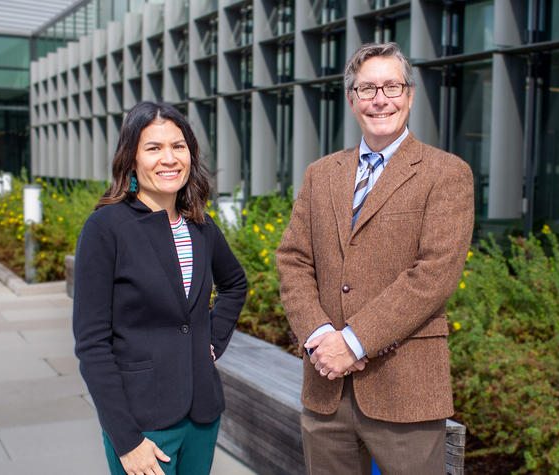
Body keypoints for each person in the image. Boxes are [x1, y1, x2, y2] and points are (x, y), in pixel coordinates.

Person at [275, 42, 474, 474]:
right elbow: (293, 260)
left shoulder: (447, 173)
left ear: (410, 95)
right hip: (326, 388)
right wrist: (320, 335)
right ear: (351, 100)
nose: (380, 99)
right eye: (367, 89)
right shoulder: (320, 174)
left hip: (406, 390)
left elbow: (435, 274)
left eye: (391, 86)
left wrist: (353, 341)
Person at [73, 101, 247, 475]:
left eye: (178, 146)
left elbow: (234, 284)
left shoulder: (200, 225)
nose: (169, 158)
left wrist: (211, 339)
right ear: (132, 159)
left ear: (190, 154)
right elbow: (91, 346)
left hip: (202, 416)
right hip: (143, 424)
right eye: (153, 148)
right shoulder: (106, 229)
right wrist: (126, 439)